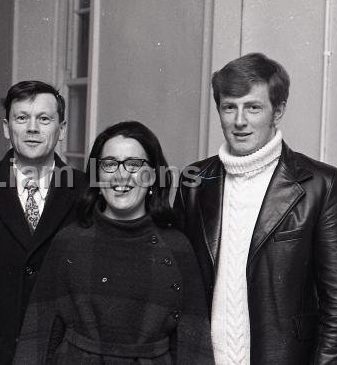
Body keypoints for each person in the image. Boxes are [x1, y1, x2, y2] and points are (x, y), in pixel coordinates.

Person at [175, 52, 337, 364]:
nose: (239, 121)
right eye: (229, 107)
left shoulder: (320, 184)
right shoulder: (194, 182)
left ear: (278, 110)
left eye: (253, 107)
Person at [13, 121, 213, 364]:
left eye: (134, 164)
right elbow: (38, 335)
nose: (121, 175)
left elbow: (194, 345)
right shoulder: (69, 241)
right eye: (109, 164)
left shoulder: (176, 246)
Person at [0, 80, 86, 364]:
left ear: (62, 128)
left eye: (44, 119)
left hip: (61, 355)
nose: (32, 128)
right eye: (22, 118)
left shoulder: (87, 193)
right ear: (6, 128)